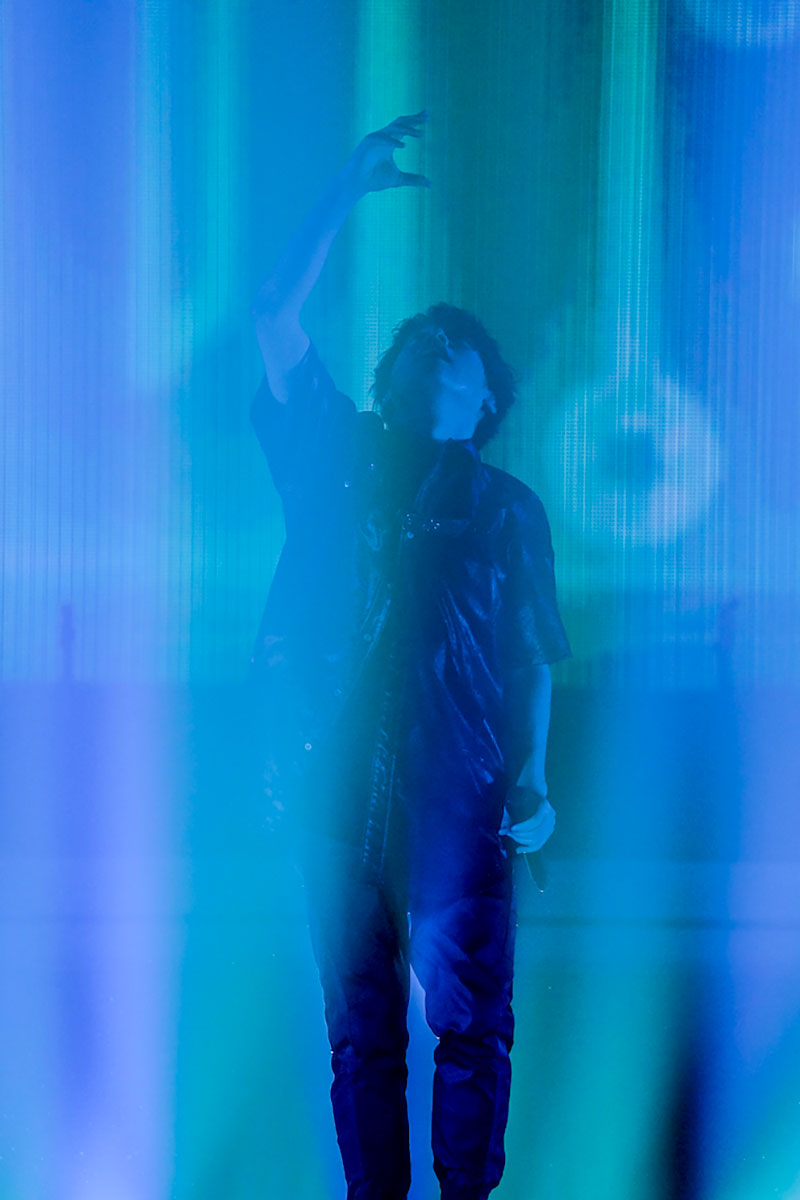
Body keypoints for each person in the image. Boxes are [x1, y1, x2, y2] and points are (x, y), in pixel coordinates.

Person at [249, 111, 571, 1200]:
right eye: (419, 343)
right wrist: (344, 189)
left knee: (471, 1027)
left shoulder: (508, 510)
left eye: (458, 347)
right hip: (336, 789)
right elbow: (272, 315)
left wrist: (533, 779)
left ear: (486, 399)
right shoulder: (337, 455)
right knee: (362, 1031)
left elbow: (531, 656)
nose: (437, 348)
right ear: (387, 383)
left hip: (463, 800)